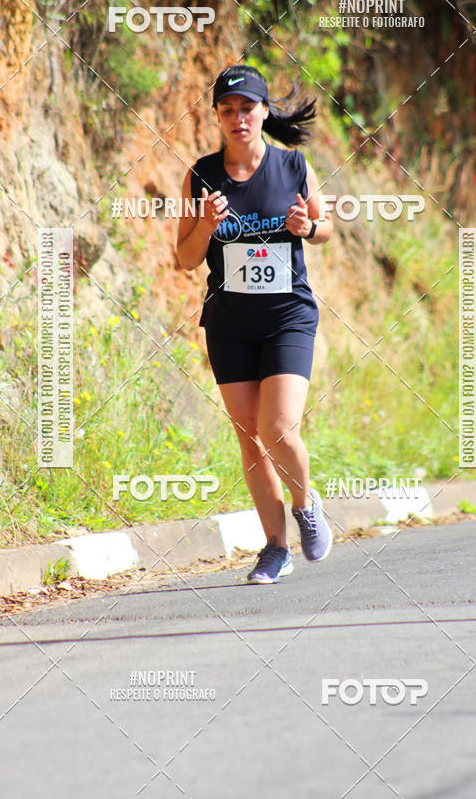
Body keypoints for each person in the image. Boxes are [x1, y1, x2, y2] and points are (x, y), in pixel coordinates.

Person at [176, 64, 333, 584]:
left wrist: (306, 226)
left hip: (288, 316)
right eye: (228, 110)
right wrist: (207, 225)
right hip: (230, 324)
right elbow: (184, 258)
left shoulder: (294, 166)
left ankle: (305, 503)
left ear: (264, 112)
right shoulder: (202, 175)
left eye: (247, 108)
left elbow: (325, 226)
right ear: (217, 117)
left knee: (279, 426)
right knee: (249, 438)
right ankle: (274, 548)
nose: (238, 118)